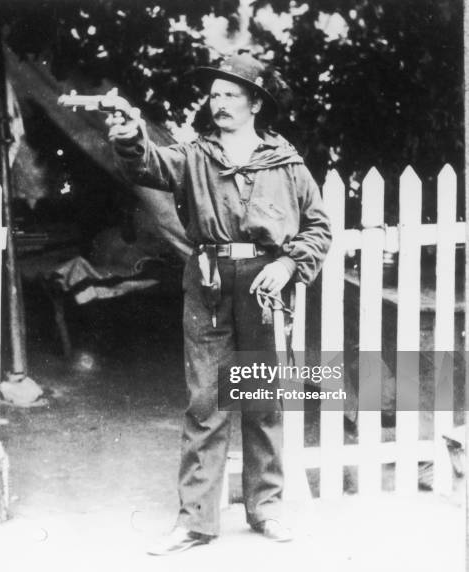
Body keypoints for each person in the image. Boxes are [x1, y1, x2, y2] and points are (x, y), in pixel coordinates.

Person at [107, 53, 332, 555]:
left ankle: (266, 507)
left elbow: (318, 227)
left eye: (232, 94)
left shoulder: (288, 165)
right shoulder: (194, 155)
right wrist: (129, 133)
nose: (220, 102)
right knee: (205, 398)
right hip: (208, 281)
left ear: (256, 103)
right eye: (215, 94)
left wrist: (289, 263)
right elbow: (147, 162)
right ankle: (196, 521)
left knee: (262, 396)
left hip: (266, 283)